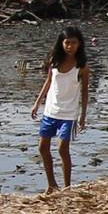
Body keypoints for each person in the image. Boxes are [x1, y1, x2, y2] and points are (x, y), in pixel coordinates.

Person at [30, 26, 90, 193]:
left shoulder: (82, 67)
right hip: (50, 111)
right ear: (61, 43)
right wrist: (37, 103)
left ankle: (67, 187)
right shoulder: (54, 62)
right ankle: (51, 185)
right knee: (42, 147)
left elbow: (85, 91)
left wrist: (83, 115)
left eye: (73, 43)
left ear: (79, 45)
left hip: (69, 114)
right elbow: (48, 83)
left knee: (63, 148)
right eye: (67, 43)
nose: (70, 46)